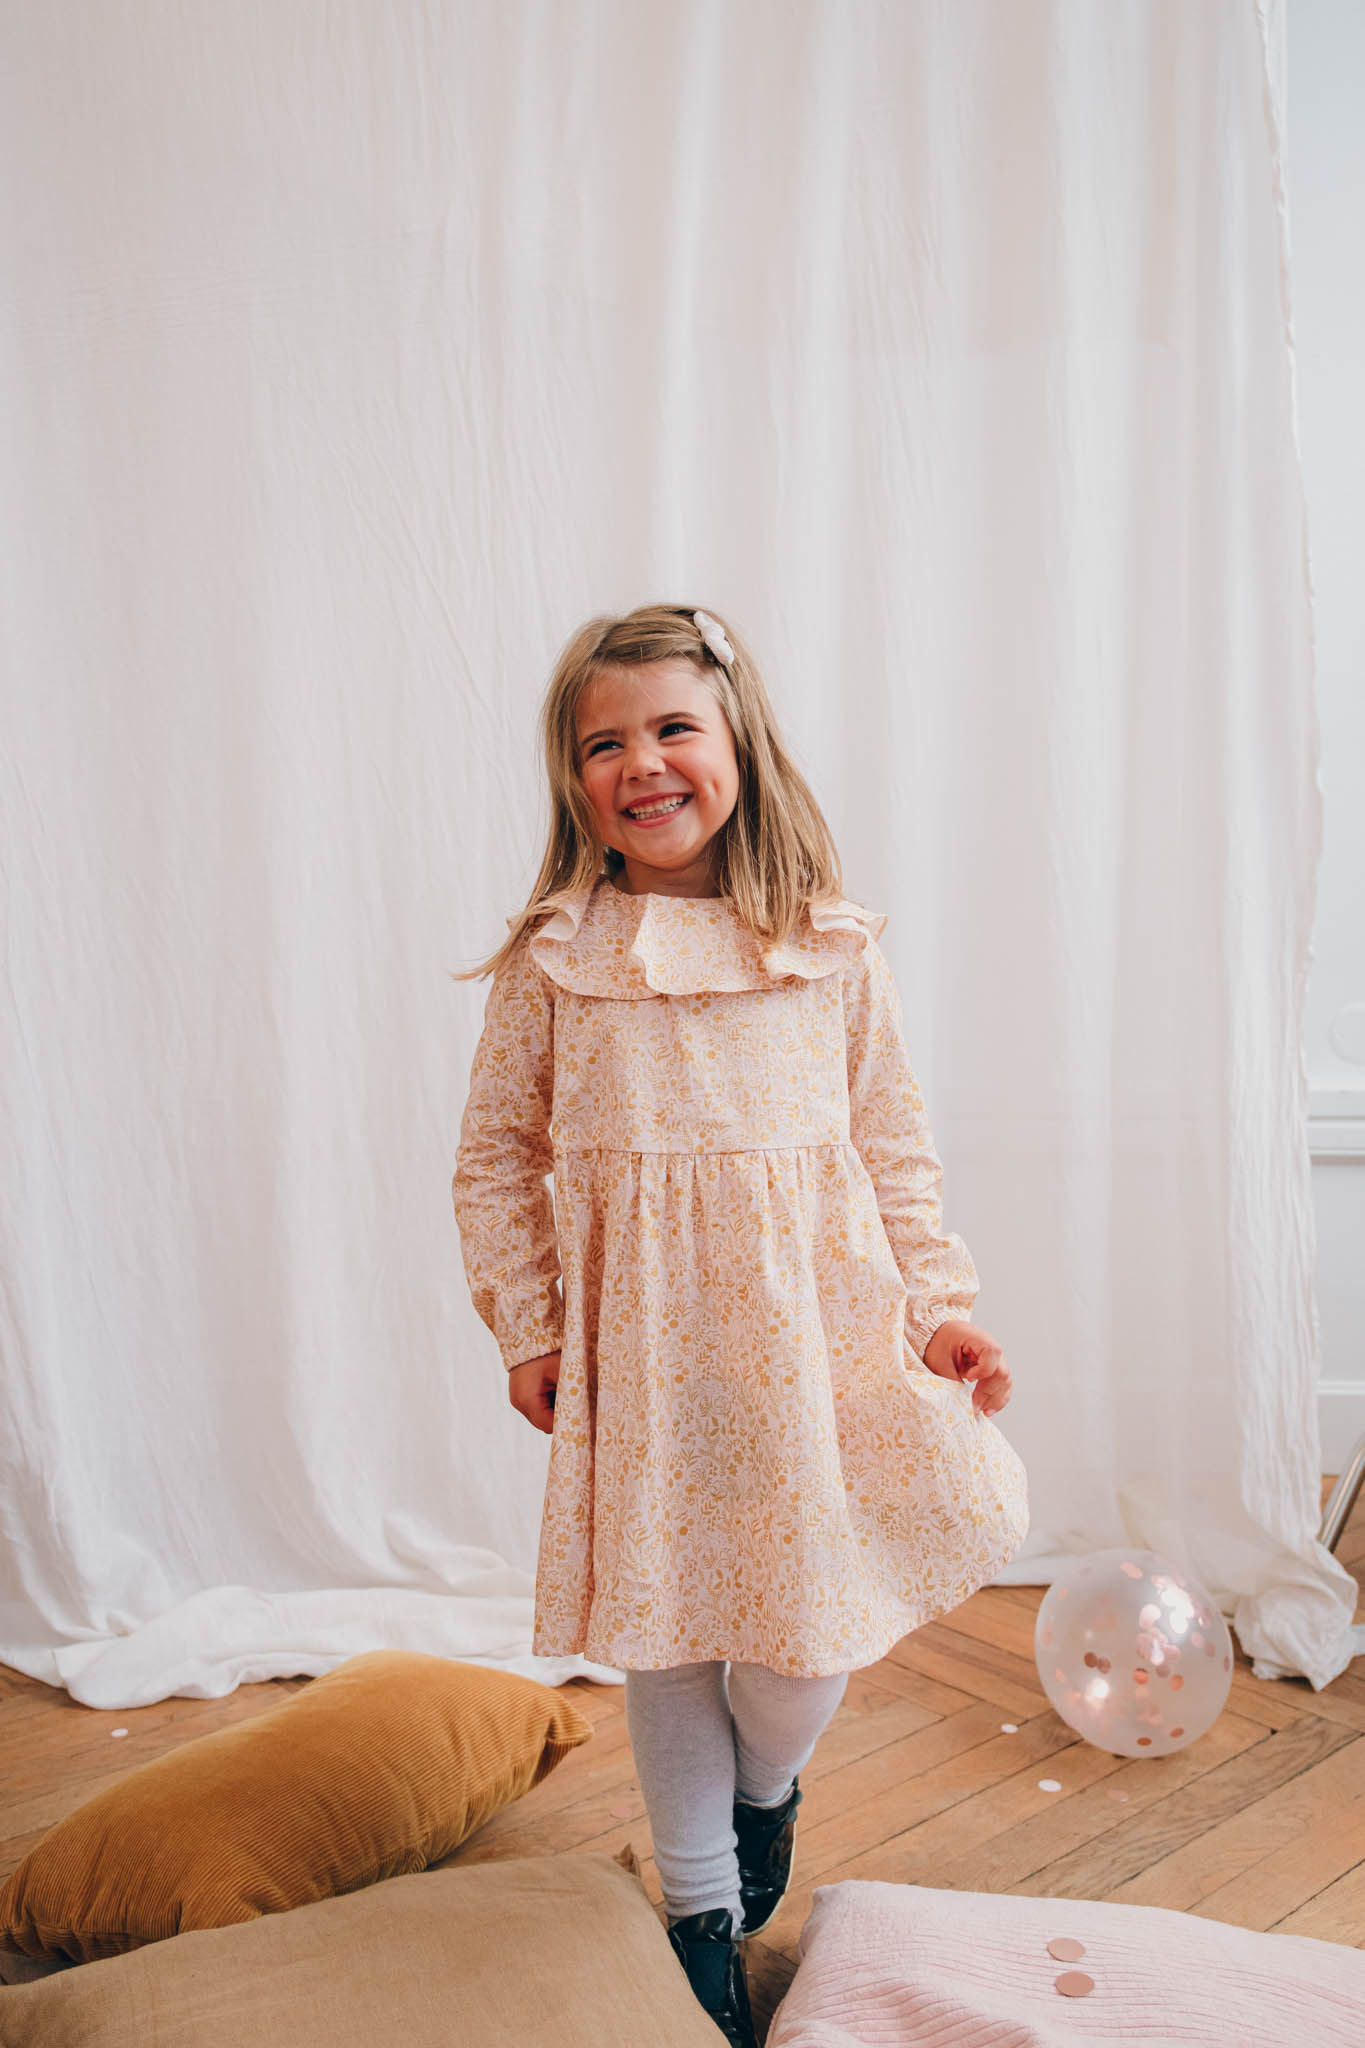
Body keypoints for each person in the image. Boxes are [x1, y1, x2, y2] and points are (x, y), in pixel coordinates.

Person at [452, 603, 1028, 2048]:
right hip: (644, 1356)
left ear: (738, 746)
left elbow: (893, 1145)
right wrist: (528, 1324)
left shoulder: (824, 947)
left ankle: (764, 1788)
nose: (641, 764)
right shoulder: (557, 957)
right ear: (572, 776)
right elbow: (493, 1155)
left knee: (798, 1634)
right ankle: (700, 1912)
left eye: (671, 729)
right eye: (605, 744)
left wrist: (938, 1314)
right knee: (665, 1630)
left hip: (813, 1351)